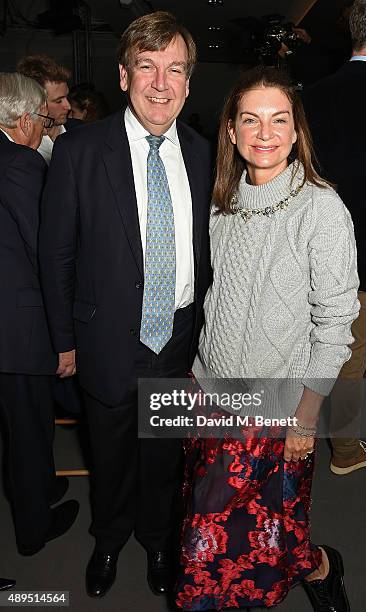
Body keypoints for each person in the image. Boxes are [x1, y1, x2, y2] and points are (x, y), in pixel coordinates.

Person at [39, 11, 212, 599]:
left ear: (189, 83)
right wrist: (63, 340)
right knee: (109, 456)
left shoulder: (203, 152)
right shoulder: (80, 150)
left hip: (178, 339)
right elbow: (55, 256)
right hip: (107, 340)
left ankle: (158, 539)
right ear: (123, 75)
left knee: (165, 457)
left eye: (174, 70)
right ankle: (109, 537)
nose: (160, 84)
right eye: (147, 67)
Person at [176, 66, 359, 612]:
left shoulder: (321, 210)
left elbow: (336, 324)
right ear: (230, 131)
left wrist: (305, 417)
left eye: (279, 120)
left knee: (251, 540)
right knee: (223, 532)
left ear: (297, 131)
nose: (265, 133)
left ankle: (318, 569)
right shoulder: (220, 201)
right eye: (250, 119)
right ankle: (318, 568)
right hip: (210, 399)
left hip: (278, 410)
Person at [302, 0, 366, 475]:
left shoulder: (310, 97)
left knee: (307, 345)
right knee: (352, 355)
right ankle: (346, 449)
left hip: (311, 251)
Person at [0, 72, 79, 555]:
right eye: (44, 119)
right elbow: (43, 252)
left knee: (18, 426)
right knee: (28, 432)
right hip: (19, 328)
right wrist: (63, 333)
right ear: (25, 119)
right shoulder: (21, 164)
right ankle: (33, 530)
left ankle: (44, 490)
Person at [16, 54, 81, 163]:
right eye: (58, 101)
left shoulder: (81, 131)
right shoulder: (17, 143)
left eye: (66, 97)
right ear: (35, 102)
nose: (68, 106)